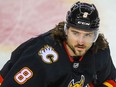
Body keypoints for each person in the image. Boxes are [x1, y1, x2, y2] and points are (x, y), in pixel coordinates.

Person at [0, 1, 116, 87]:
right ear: (66, 31)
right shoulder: (40, 58)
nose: (81, 41)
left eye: (88, 35)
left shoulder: (99, 50)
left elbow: (110, 80)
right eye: (75, 33)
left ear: (95, 35)